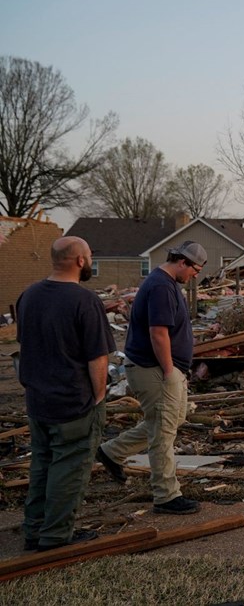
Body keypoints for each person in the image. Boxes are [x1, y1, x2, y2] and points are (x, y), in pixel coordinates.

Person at [16, 236, 115, 551]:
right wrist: (98, 398)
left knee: (42, 464)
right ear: (80, 261)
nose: (90, 261)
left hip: (38, 400)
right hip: (73, 402)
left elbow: (26, 345)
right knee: (68, 469)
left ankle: (34, 530)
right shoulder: (84, 301)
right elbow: (98, 358)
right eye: (89, 255)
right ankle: (56, 535)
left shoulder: (28, 296)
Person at [95, 240, 207, 515]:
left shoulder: (167, 285)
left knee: (171, 420)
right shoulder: (160, 286)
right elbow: (159, 333)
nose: (196, 275)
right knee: (163, 432)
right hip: (154, 370)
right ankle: (166, 495)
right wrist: (169, 372)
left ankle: (111, 452)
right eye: (196, 269)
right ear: (183, 262)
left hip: (165, 369)